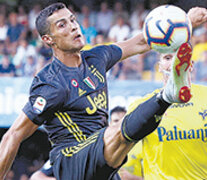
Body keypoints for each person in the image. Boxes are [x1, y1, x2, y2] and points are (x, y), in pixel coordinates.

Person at [0, 3, 206, 180]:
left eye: (73, 20)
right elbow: (13, 135)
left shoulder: (97, 58)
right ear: (48, 39)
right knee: (117, 129)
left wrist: (184, 21)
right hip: (72, 159)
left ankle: (168, 93)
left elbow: (143, 42)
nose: (73, 26)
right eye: (62, 25)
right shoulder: (50, 84)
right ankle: (168, 95)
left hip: (103, 162)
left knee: (114, 139)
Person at [122, 53, 207, 179]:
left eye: (180, 56)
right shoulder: (141, 106)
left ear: (191, 65)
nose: (174, 63)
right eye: (167, 58)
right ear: (159, 66)